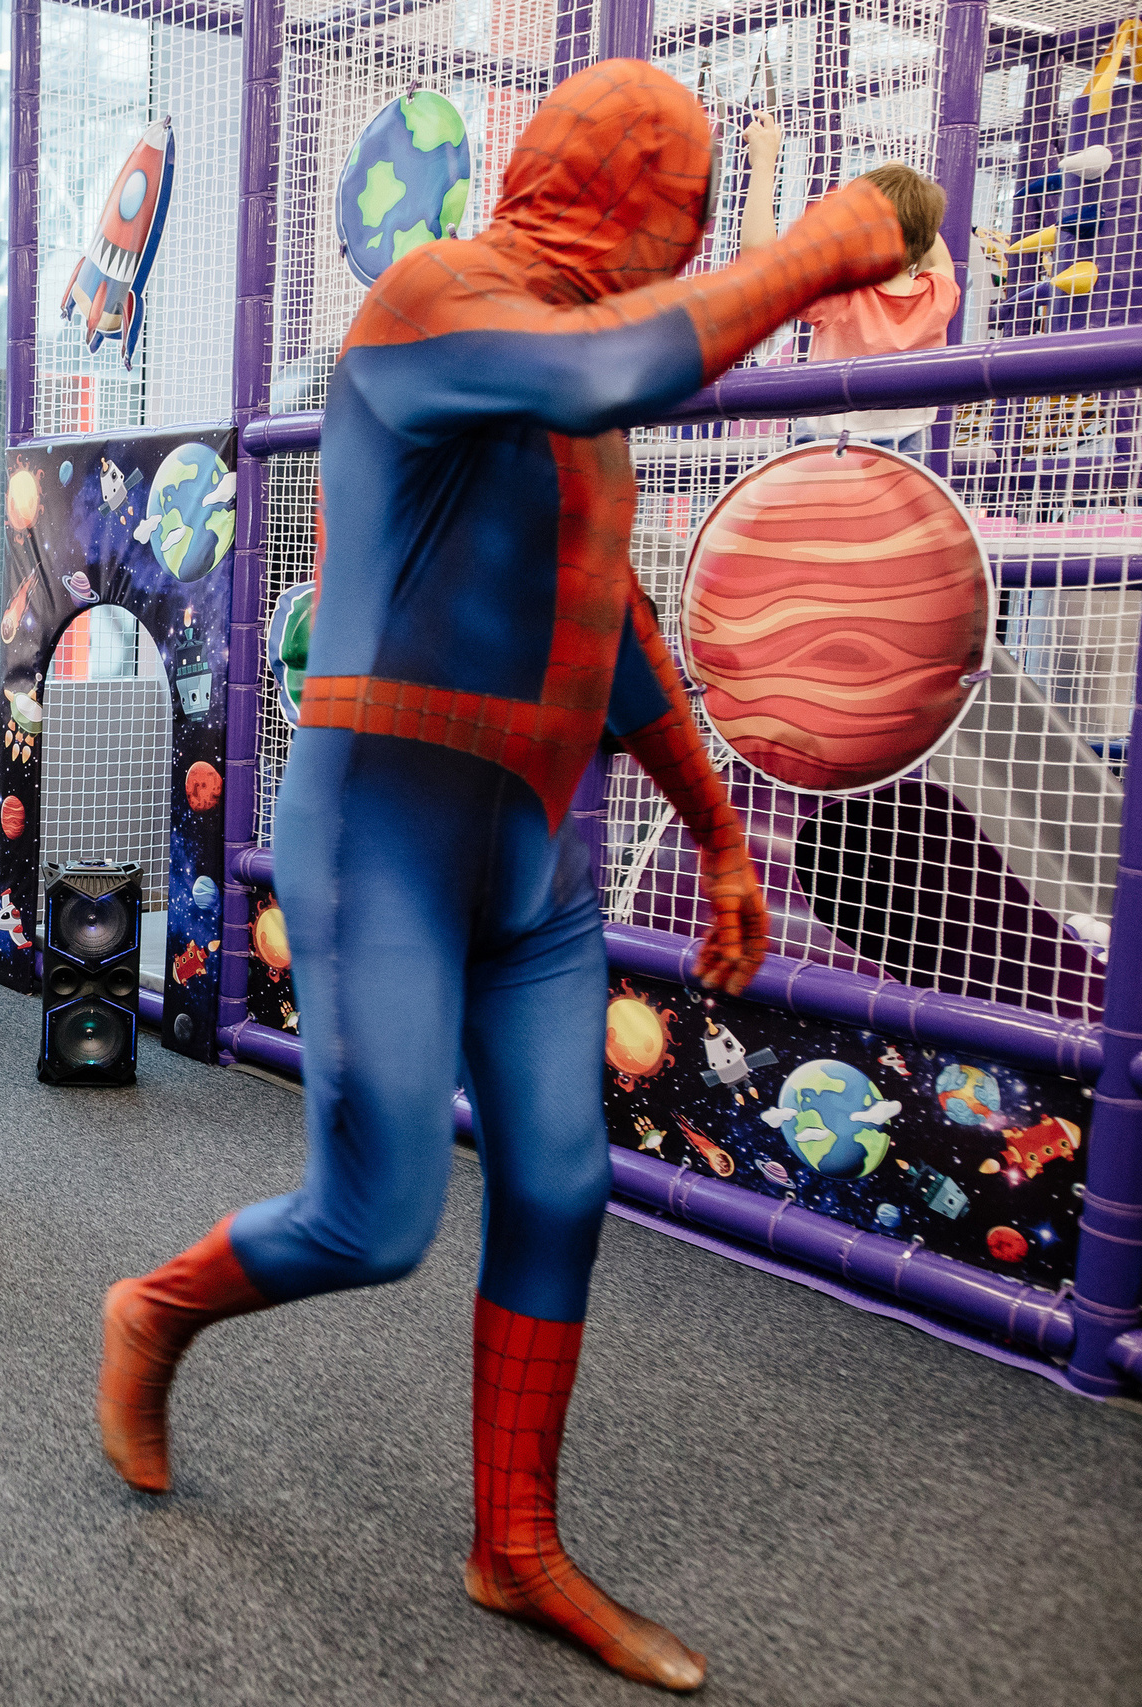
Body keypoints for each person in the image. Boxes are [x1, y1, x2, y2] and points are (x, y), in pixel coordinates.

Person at [92, 61, 909, 1693]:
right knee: (374, 1215)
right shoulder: (437, 308)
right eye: (681, 217)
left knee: (560, 1184)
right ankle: (154, 1311)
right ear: (625, 199)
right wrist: (830, 243)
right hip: (381, 837)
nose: (686, 251)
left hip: (533, 860)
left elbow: (618, 633)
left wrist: (728, 837)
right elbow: (622, 358)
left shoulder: (575, 403)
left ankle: (513, 1538)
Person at [742, 113, 960, 453]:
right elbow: (935, 255)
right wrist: (907, 195)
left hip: (833, 448)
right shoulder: (938, 297)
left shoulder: (843, 297)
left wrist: (764, 162)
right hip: (912, 449)